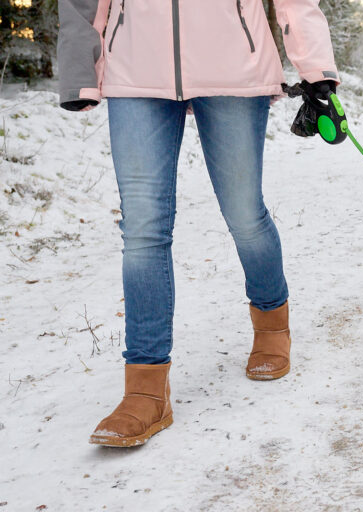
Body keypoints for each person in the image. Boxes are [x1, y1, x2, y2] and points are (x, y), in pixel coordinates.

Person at [58, 0, 339, 447]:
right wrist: (78, 64)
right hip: (134, 67)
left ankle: (271, 324)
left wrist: (315, 67)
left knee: (244, 213)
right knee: (143, 232)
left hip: (234, 65)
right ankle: (145, 391)